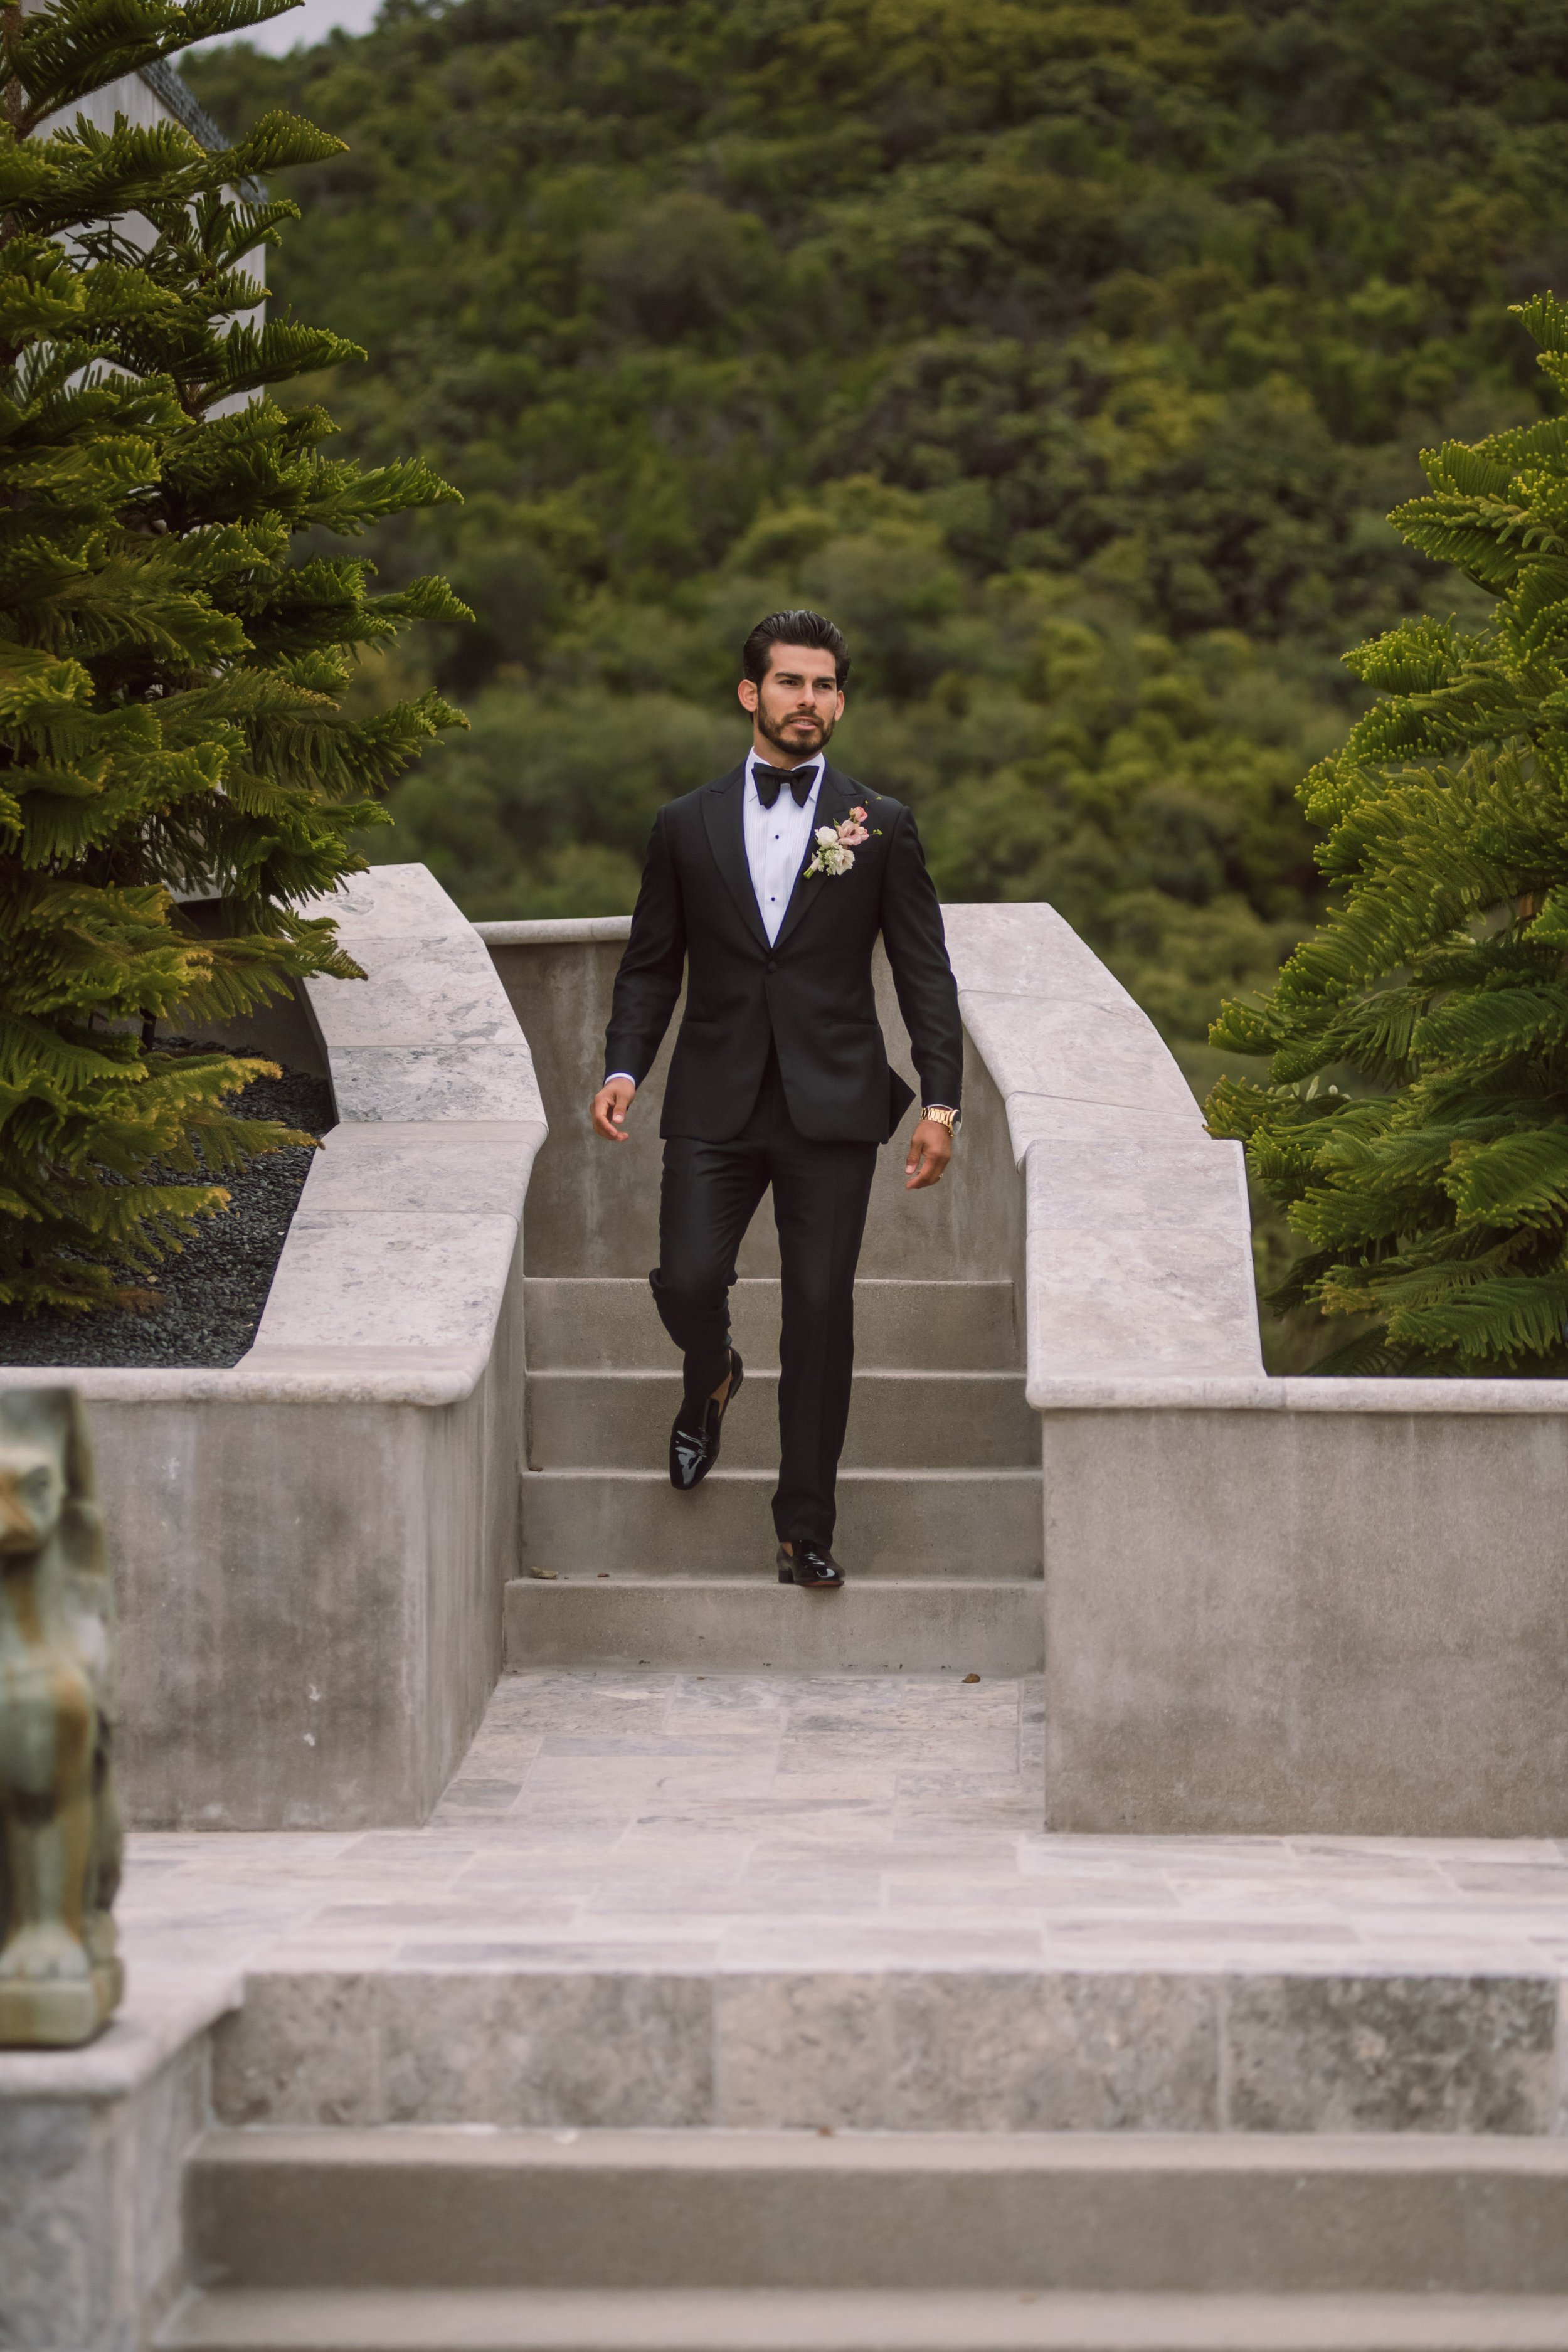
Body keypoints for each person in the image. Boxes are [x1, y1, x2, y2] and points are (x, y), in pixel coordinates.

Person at [591, 609, 963, 1592]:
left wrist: (942, 1102)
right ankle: (710, 1370)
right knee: (684, 1276)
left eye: (826, 684)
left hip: (833, 1107)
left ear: (841, 698)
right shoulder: (684, 823)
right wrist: (623, 1063)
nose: (810, 700)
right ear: (751, 693)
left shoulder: (880, 824)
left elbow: (927, 973)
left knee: (819, 1315)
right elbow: (649, 965)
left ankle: (803, 1528)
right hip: (713, 1097)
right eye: (791, 682)